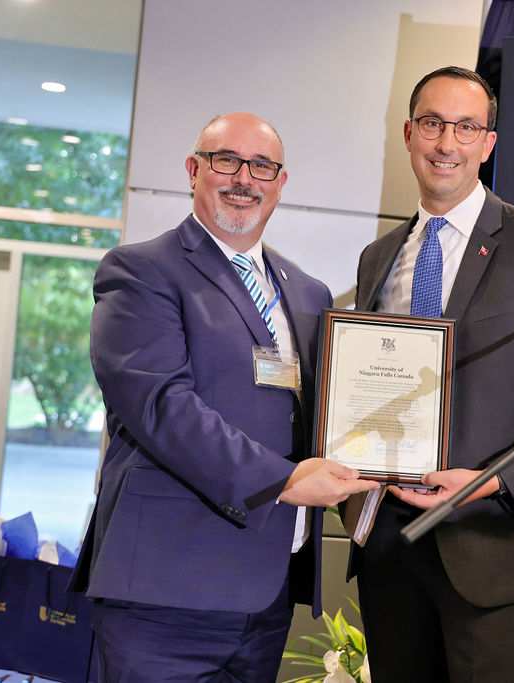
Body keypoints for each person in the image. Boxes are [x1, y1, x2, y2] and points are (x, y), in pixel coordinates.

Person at [70, 112, 379, 682]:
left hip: (266, 594)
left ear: (281, 183)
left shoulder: (307, 292)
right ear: (193, 170)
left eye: (262, 166)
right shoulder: (141, 271)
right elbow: (162, 407)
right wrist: (283, 481)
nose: (244, 178)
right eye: (226, 161)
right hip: (165, 590)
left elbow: (325, 415)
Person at [349, 67, 514, 681]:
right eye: (433, 124)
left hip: (492, 555)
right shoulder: (378, 258)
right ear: (408, 134)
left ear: (487, 143)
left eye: (466, 127)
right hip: (390, 547)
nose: (447, 143)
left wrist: (491, 482)